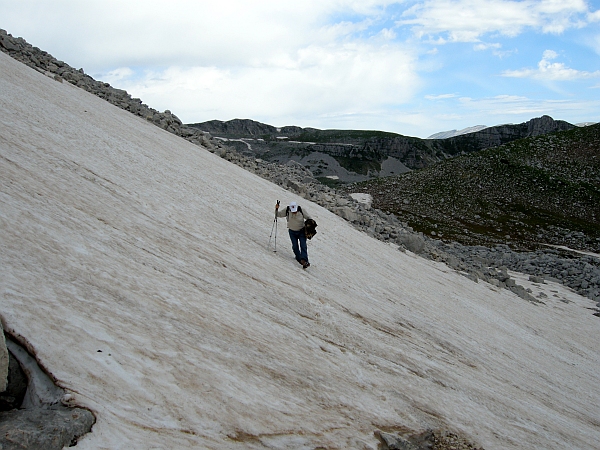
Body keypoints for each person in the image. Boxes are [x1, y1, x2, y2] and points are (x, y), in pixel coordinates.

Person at [276, 201, 312, 268]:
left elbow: (309, 218)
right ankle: (299, 259)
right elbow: (278, 214)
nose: (294, 212)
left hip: (302, 231)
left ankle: (304, 260)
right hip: (292, 232)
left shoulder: (301, 210)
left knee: (303, 245)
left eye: (295, 211)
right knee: (295, 246)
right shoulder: (287, 210)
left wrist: (308, 227)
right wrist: (276, 209)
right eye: (293, 211)